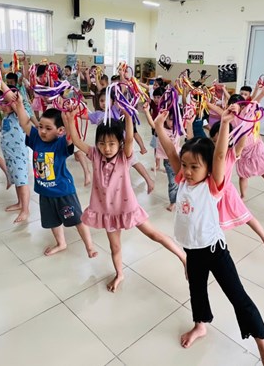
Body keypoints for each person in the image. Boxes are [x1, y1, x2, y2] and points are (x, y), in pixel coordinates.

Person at [154, 108, 264, 366]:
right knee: (196, 291)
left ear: (209, 168)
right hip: (192, 251)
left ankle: (263, 344)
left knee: (237, 295)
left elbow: (220, 155)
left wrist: (225, 124)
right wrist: (158, 126)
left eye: (194, 167)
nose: (187, 171)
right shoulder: (183, 180)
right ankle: (200, 325)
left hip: (214, 251)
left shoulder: (213, 185)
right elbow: (171, 152)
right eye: (185, 166)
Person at [65, 111, 185, 292]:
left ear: (120, 143)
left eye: (112, 143)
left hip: (128, 209)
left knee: (154, 235)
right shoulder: (95, 154)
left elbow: (129, 139)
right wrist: (69, 119)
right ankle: (119, 274)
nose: (106, 148)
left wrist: (128, 117)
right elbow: (76, 140)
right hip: (108, 213)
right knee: (115, 247)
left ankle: (183, 258)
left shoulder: (124, 156)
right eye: (102, 143)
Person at [12, 97, 97, 257]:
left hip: (63, 192)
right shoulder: (36, 139)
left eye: (48, 128)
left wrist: (70, 119)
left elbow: (71, 137)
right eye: (41, 126)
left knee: (77, 219)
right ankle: (61, 243)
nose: (43, 131)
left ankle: (90, 246)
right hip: (44, 192)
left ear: (60, 131)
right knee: (52, 221)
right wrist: (20, 105)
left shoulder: (60, 144)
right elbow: (25, 123)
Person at [209, 118, 264, 256]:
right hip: (211, 193)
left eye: (220, 141)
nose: (217, 145)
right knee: (211, 222)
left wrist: (247, 124)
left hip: (227, 193)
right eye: (214, 141)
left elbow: (240, 143)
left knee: (247, 217)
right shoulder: (209, 153)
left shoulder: (231, 154)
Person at [85, 89, 154, 193]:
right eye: (101, 101)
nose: (104, 103)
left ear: (113, 101)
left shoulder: (115, 110)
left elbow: (121, 96)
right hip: (108, 146)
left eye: (107, 100)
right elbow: (83, 115)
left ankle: (149, 180)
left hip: (122, 144)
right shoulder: (97, 115)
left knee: (134, 162)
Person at [0, 87, 31, 223]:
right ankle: (20, 203)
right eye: (1, 103)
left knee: (22, 182)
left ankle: (26, 210)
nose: (2, 106)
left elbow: (15, 103)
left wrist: (1, 83)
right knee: (17, 181)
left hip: (19, 155)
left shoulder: (19, 115)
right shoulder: (6, 117)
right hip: (9, 155)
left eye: (6, 103)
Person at [143, 101, 181, 211]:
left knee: (181, 181)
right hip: (168, 161)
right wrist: (147, 111)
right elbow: (153, 124)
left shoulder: (178, 127)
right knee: (173, 183)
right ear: (165, 119)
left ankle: (180, 197)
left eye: (175, 120)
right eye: (170, 119)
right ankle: (173, 201)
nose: (173, 122)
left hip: (179, 158)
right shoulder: (162, 130)